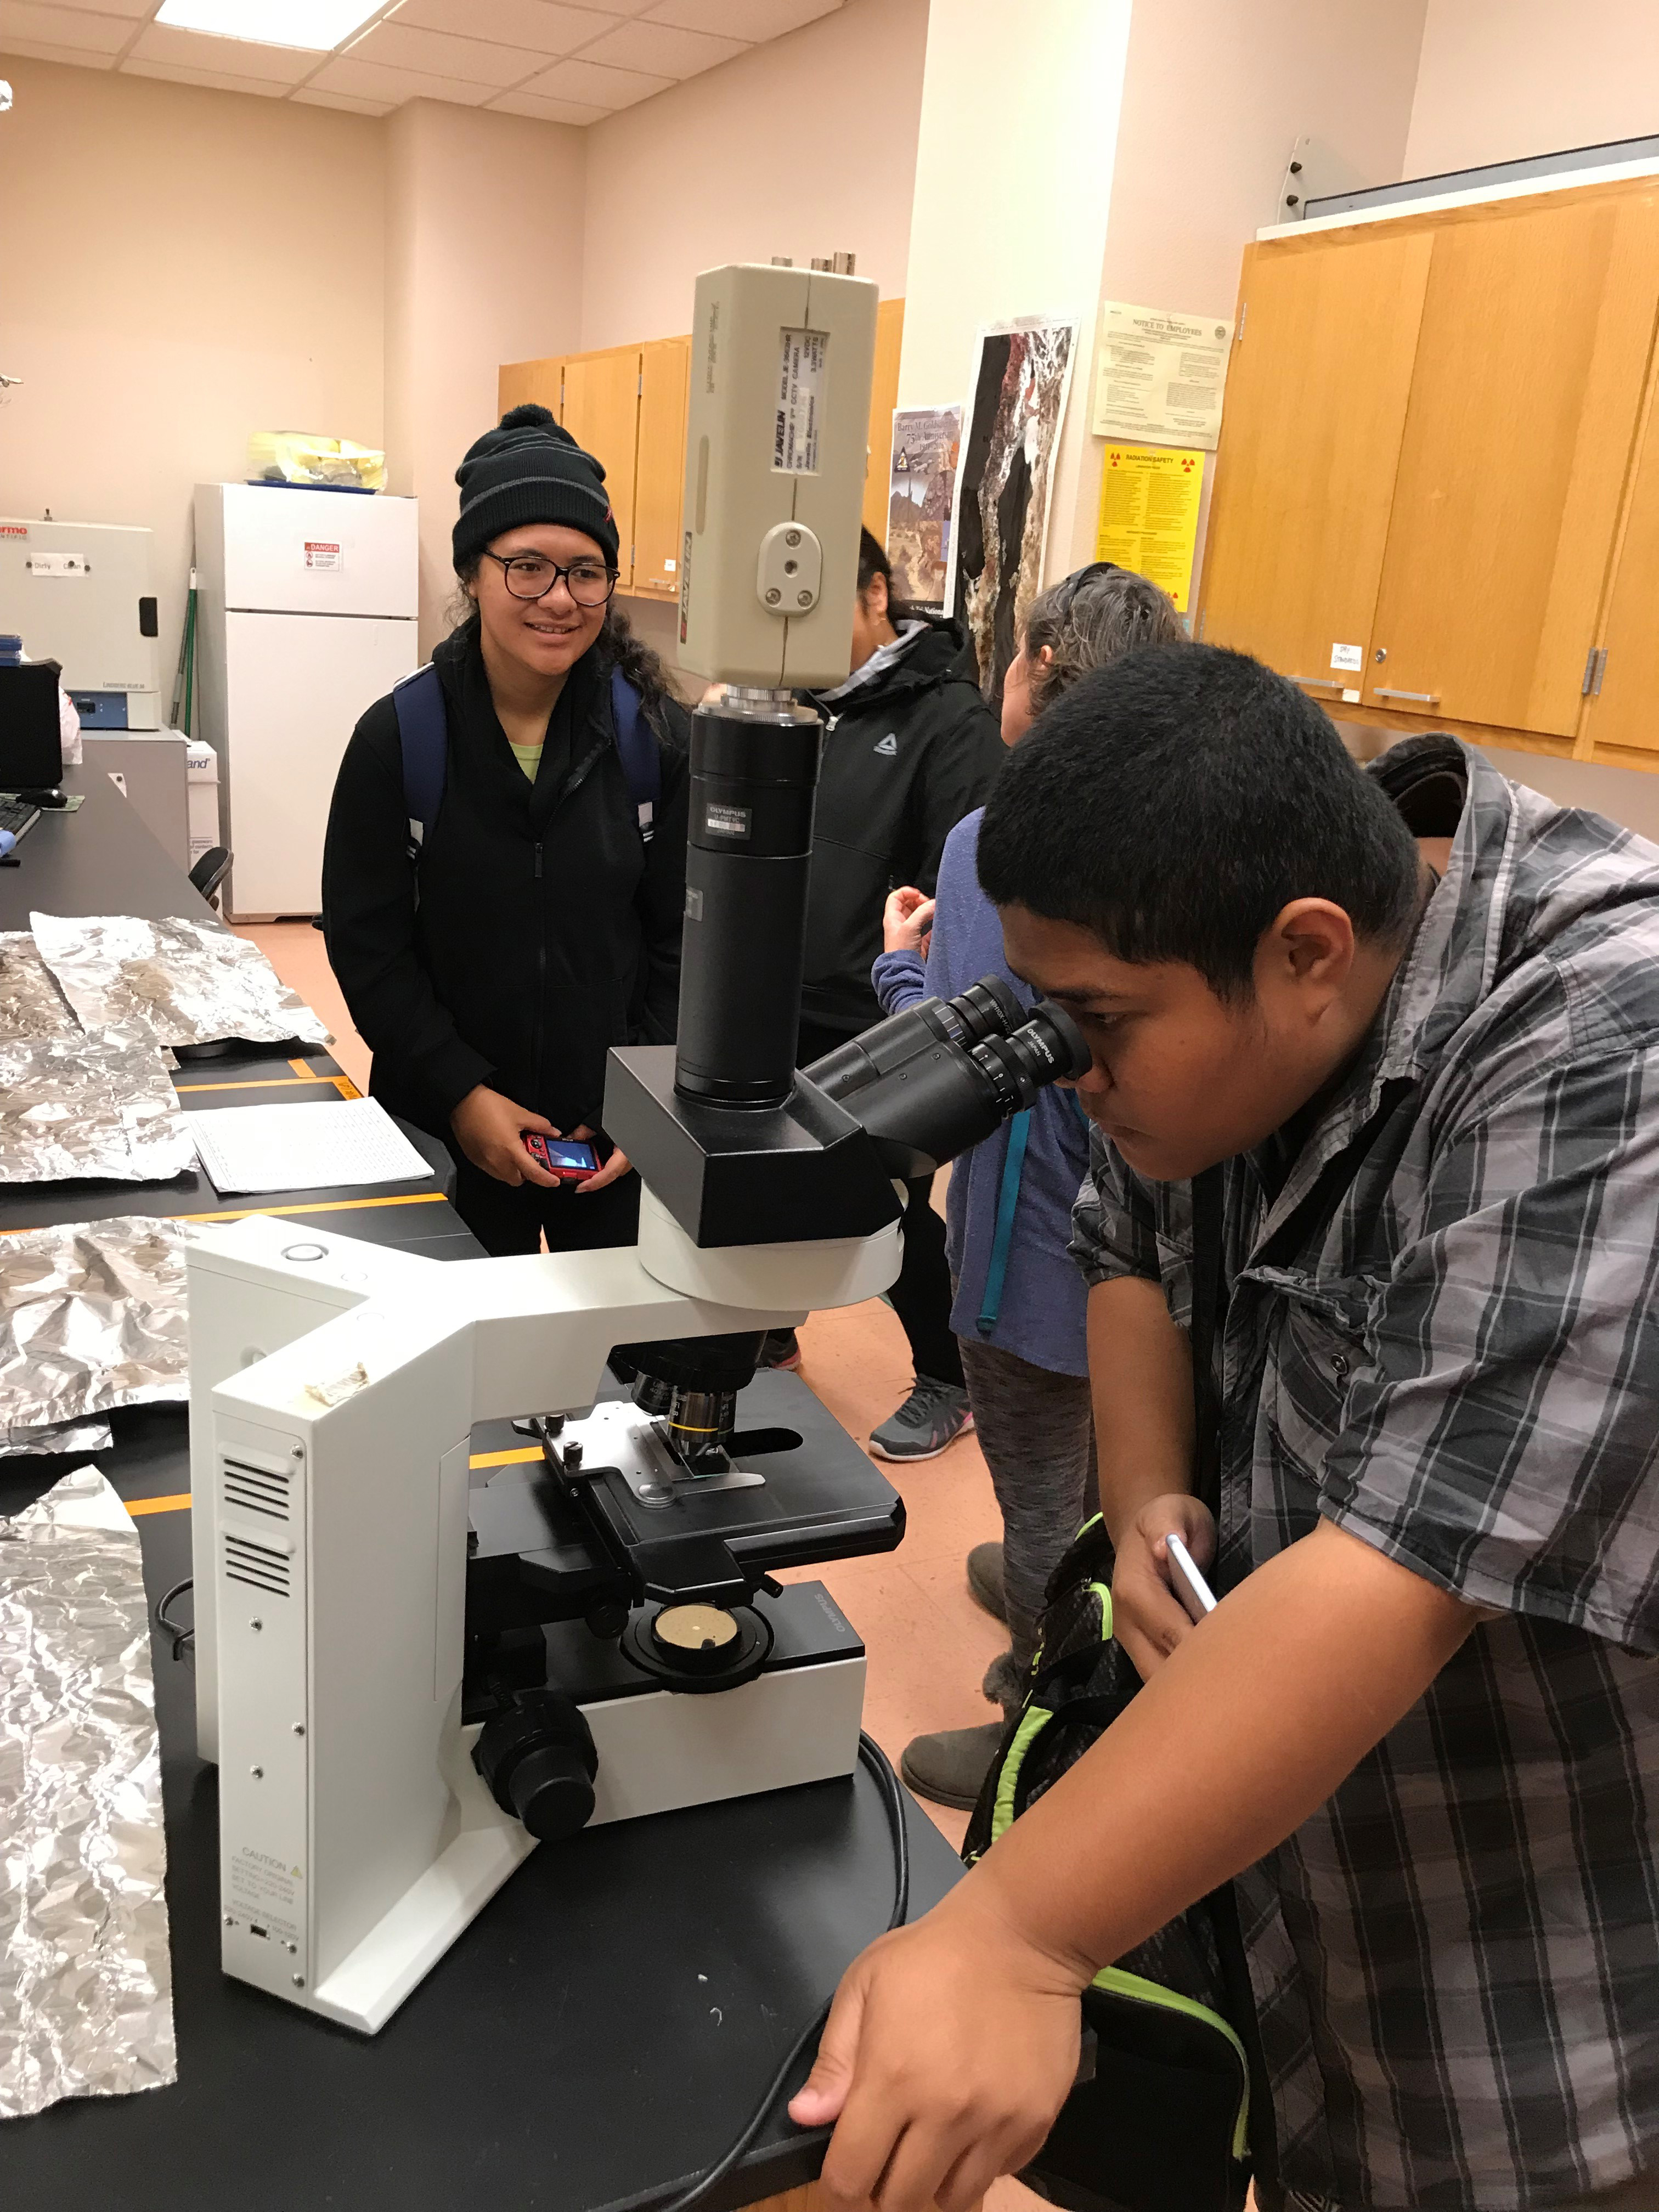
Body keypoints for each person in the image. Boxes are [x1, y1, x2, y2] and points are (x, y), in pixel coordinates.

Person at [789, 645, 1659, 2212]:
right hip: (1296, 1912)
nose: (1078, 1070)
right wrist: (1147, 1491)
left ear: (1308, 952)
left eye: (1102, 1027)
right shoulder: (1250, 952)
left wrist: (1017, 1935)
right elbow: (1124, 1223)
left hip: (1534, 2004)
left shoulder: (1612, 1047)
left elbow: (1409, 1560)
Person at [871, 562, 1186, 1808]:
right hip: (1152, 1258)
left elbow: (959, 1053)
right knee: (1116, 1464)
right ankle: (1056, 1581)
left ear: (1039, 679)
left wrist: (895, 965)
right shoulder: (1183, 852)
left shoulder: (989, 846)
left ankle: (1037, 1729)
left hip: (1025, 1257)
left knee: (1041, 1486)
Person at [323, 404, 690, 1258]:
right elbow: (369, 947)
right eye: (526, 567)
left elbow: (684, 941)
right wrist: (461, 1093)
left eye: (585, 572)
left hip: (610, 1140)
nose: (558, 600)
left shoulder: (657, 741)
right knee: (459, 1372)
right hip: (447, 1129)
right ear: (474, 573)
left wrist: (649, 1095)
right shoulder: (401, 740)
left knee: (610, 1369)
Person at [772, 526, 1005, 1463]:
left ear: (875, 594)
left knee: (887, 1202)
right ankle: (769, 1329)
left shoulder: (952, 720)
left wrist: (908, 986)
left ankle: (952, 1377)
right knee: (770, 1177)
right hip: (781, 991)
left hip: (875, 1010)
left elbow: (959, 884)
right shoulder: (799, 706)